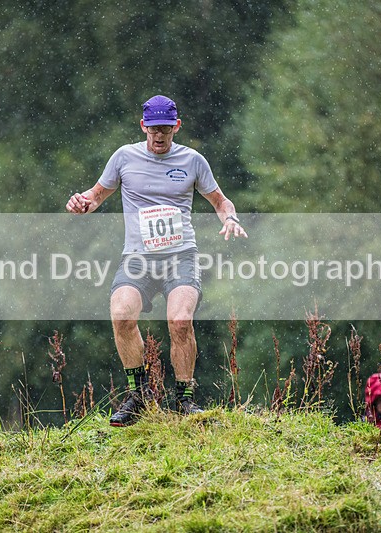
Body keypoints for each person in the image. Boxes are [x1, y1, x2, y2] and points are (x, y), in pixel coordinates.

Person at [66, 95, 248, 426]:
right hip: (137, 259)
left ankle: (185, 400)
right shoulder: (124, 157)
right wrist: (81, 203)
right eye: (152, 130)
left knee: (180, 321)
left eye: (165, 129)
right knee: (121, 316)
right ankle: (140, 396)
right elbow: (96, 195)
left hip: (181, 257)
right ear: (143, 127)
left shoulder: (193, 161)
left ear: (177, 127)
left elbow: (220, 201)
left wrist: (230, 218)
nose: (159, 136)